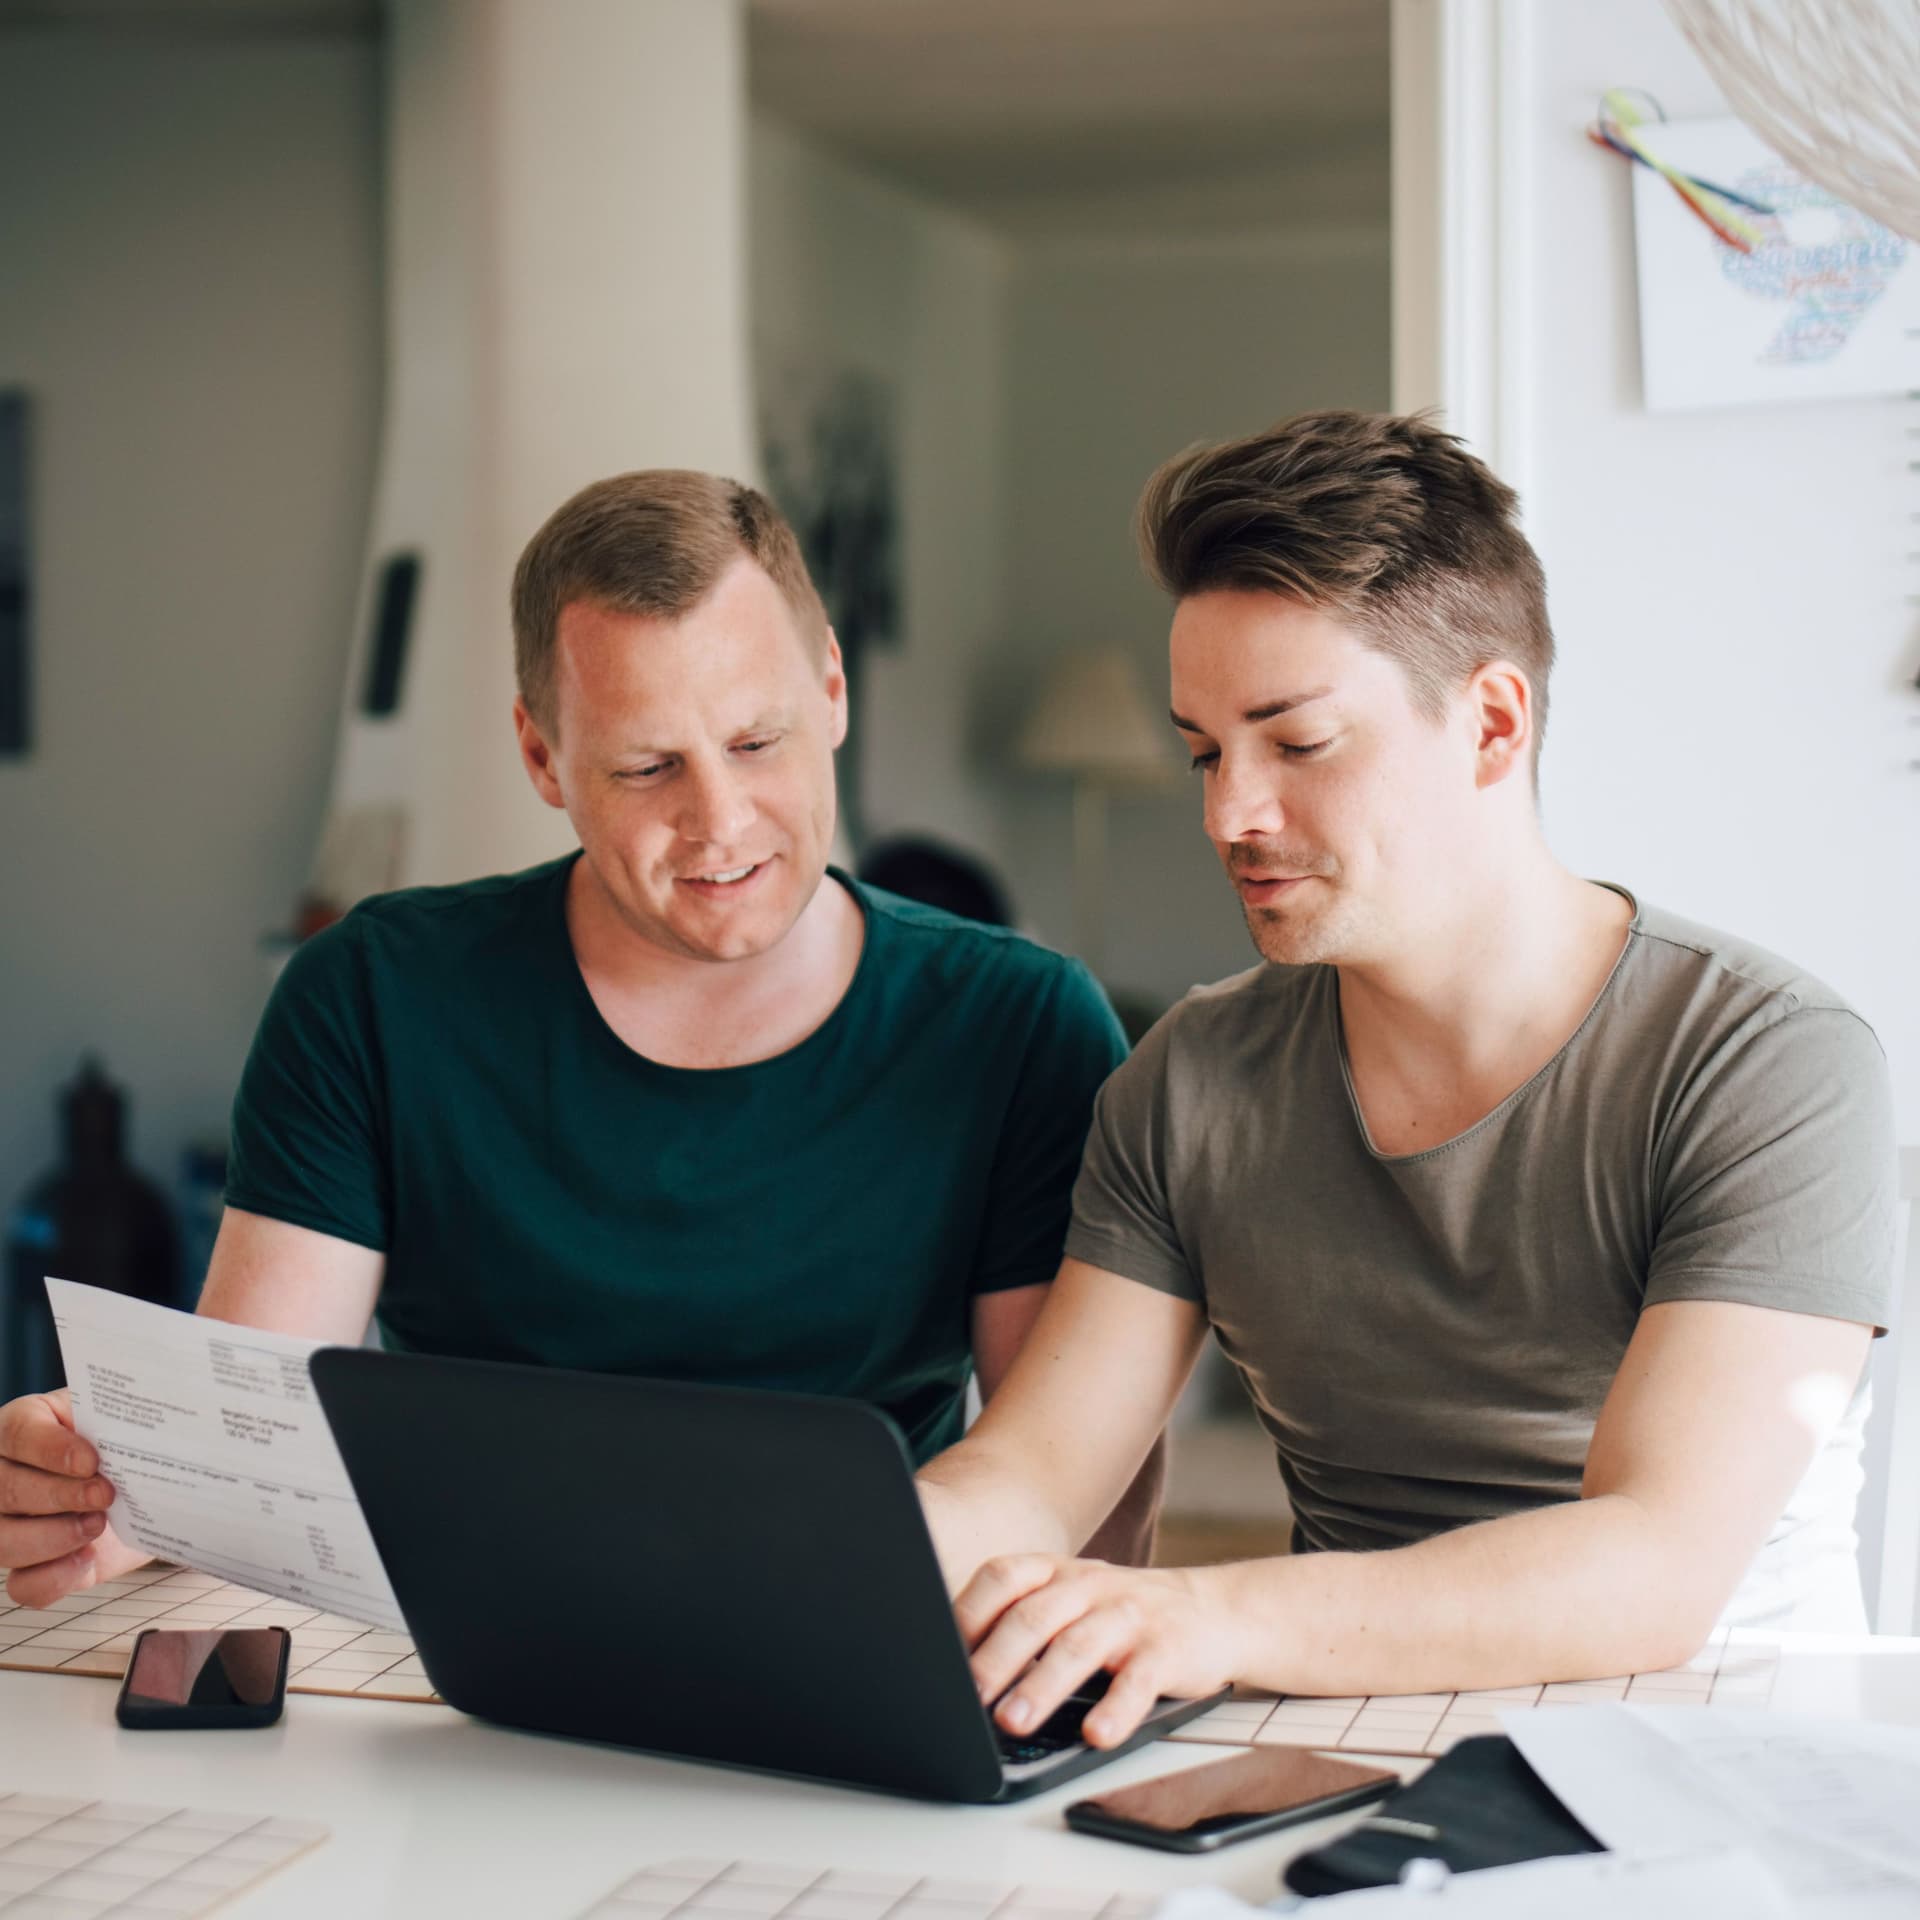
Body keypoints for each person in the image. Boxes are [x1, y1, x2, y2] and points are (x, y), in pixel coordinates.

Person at [917, 410, 1897, 1752]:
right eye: (1205, 750)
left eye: (1297, 745)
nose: (1228, 815)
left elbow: (1658, 1566)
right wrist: (823, 1568)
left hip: (1728, 1757)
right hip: (1339, 1751)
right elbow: (1032, 1473)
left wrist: (1210, 1614)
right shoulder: (1189, 1081)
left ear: (1493, 723)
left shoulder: (1766, 1059)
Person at [1, 469, 1151, 1612]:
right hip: (457, 1648)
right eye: (647, 767)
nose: (721, 822)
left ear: (834, 690)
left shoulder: (1021, 1026)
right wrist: (101, 1501)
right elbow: (242, 1448)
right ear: (543, 757)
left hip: (853, 1623)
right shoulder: (373, 993)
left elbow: (1066, 1499)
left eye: (758, 741)